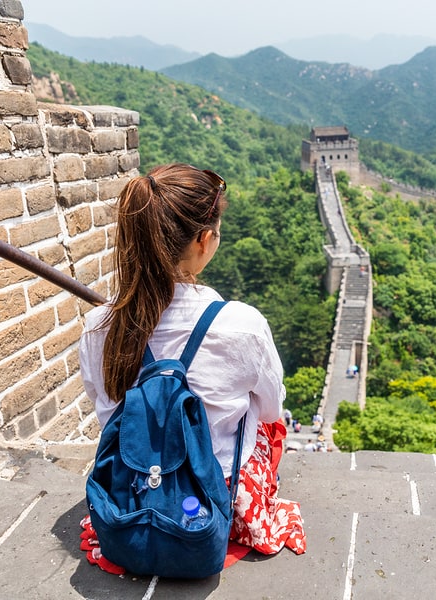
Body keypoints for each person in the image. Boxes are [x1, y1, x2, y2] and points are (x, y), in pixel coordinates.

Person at [79, 164, 306, 571]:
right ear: (204, 239)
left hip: (132, 486)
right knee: (269, 421)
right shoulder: (243, 325)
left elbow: (105, 410)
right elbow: (272, 411)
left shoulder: (99, 327)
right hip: (213, 495)